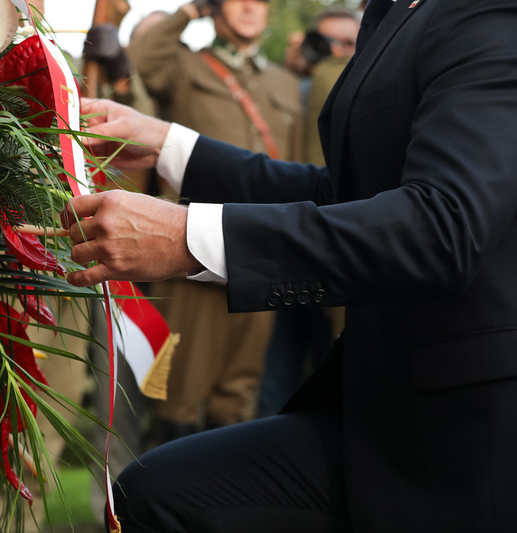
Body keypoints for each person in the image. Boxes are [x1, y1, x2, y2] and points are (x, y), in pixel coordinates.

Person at [60, 0, 517, 530]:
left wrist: (189, 238)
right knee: (157, 493)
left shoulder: (490, 12)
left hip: (469, 436)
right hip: (380, 405)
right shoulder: (390, 15)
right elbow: (342, 194)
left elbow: (443, 228)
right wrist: (171, 146)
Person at [127, 0, 302, 440]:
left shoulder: (283, 82)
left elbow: (298, 167)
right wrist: (189, 12)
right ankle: (161, 503)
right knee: (178, 396)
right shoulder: (186, 66)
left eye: (260, 1)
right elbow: (139, 64)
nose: (249, 6)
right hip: (190, 252)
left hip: (262, 255)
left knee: (239, 393)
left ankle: (226, 505)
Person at [256, 8, 360, 419]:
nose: (335, 54)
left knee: (330, 384)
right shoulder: (278, 85)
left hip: (336, 260)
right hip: (276, 260)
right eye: (325, 43)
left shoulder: (357, 88)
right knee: (273, 388)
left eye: (348, 45)